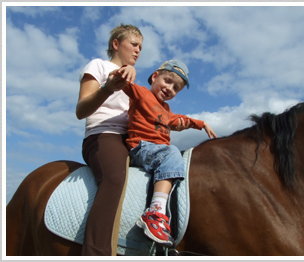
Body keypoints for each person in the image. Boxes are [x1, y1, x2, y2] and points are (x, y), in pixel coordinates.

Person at [112, 60, 217, 247]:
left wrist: (201, 124)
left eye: (176, 88)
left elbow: (179, 120)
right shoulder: (142, 93)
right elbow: (118, 80)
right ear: (154, 77)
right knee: (172, 152)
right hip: (141, 148)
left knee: (181, 161)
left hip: (157, 152)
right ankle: (155, 214)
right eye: (168, 81)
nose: (170, 89)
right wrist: (127, 69)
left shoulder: (166, 110)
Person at [76, 24, 143, 256]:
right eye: (133, 44)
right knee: (114, 179)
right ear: (116, 44)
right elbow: (81, 109)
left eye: (140, 47)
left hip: (130, 140)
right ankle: (95, 254)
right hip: (103, 135)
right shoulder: (99, 65)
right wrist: (107, 88)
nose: (138, 50)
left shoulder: (133, 80)